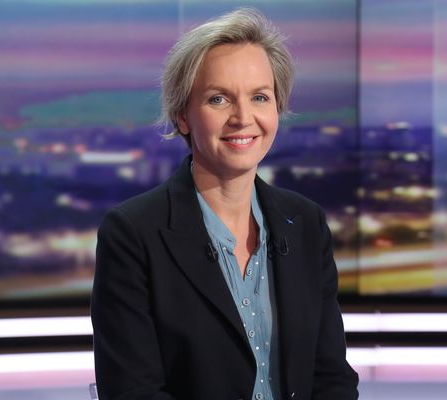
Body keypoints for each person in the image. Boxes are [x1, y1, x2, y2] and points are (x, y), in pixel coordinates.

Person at [91, 7, 359, 400]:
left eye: (260, 97)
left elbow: (331, 377)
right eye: (219, 99)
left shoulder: (305, 223)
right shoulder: (133, 233)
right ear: (183, 116)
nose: (243, 117)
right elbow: (133, 392)